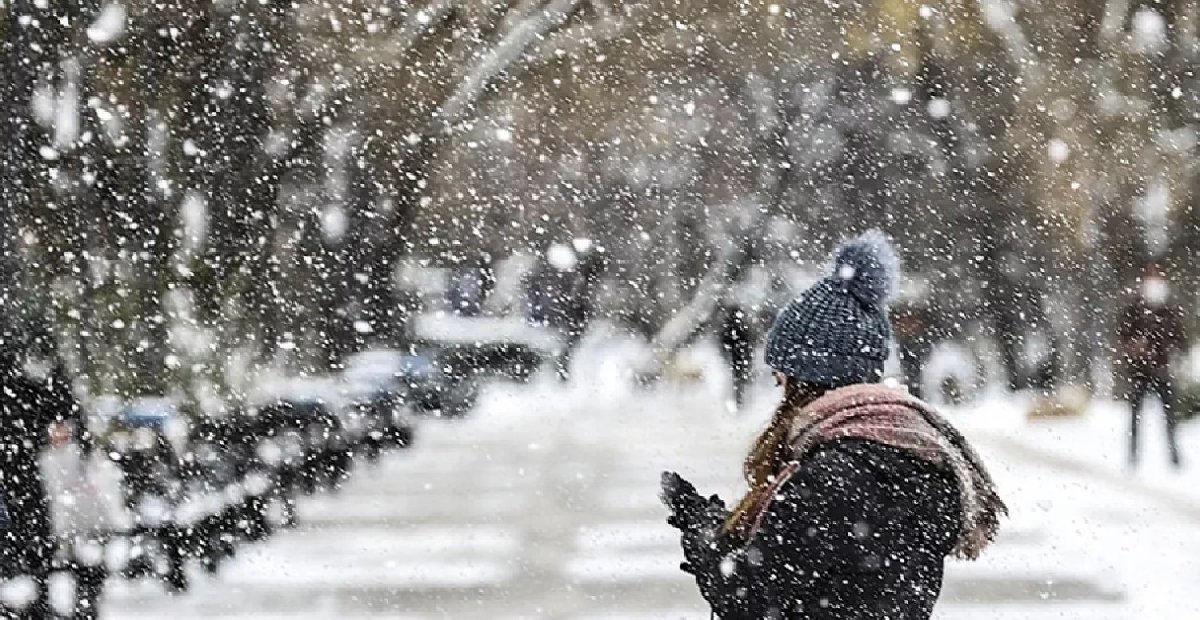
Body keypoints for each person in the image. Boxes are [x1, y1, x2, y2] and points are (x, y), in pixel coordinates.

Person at [661, 231, 1006, 619]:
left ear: (807, 377)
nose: (780, 387)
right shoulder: (908, 456)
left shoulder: (830, 479)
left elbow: (748, 596)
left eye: (783, 378)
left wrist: (701, 530)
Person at [1119, 264, 1187, 469]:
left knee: (1169, 415)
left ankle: (1174, 456)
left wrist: (1175, 357)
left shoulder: (1169, 312)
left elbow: (1180, 339)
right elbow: (1123, 336)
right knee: (1135, 415)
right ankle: (1133, 456)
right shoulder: (1133, 310)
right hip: (1139, 371)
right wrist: (1133, 347)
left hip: (1163, 370)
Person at [718, 303, 755, 411]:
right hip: (740, 357)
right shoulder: (742, 326)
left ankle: (739, 400)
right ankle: (740, 400)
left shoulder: (730, 327)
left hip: (736, 357)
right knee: (741, 379)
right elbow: (749, 341)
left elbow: (724, 341)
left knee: (738, 379)